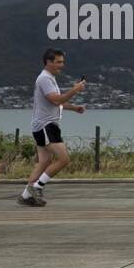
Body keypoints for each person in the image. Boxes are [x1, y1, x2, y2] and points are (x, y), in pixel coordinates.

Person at [19, 48, 86, 206]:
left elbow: (55, 103)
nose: (62, 65)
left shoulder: (50, 78)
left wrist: (74, 107)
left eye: (62, 62)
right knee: (64, 159)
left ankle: (26, 196)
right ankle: (37, 187)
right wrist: (75, 90)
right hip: (46, 125)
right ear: (48, 62)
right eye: (58, 62)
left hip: (43, 125)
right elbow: (56, 100)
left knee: (44, 161)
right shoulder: (44, 79)